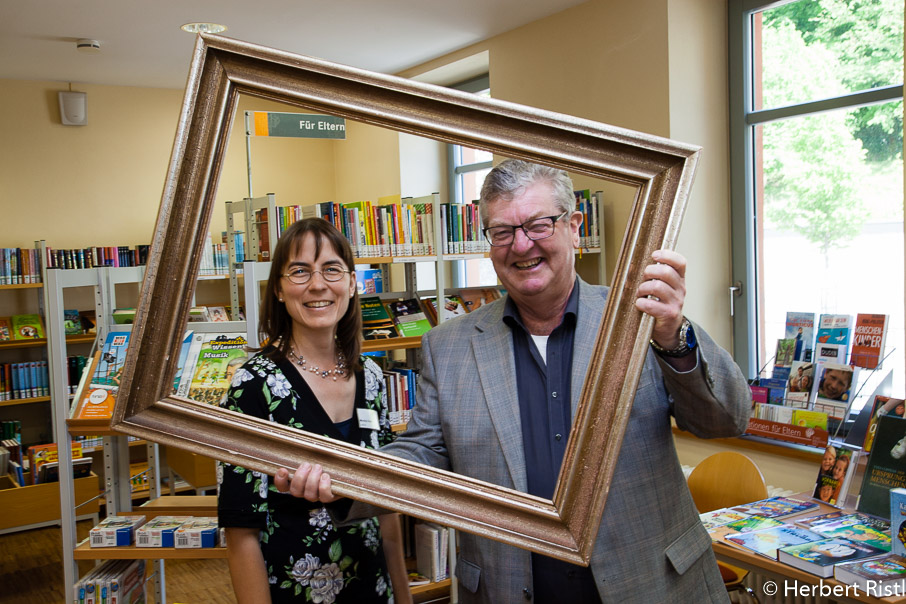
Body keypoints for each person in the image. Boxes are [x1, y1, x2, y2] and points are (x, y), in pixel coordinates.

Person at [277, 159, 751, 602]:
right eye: (503, 231)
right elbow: (422, 455)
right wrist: (344, 480)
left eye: (538, 225)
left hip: (651, 584)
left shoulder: (641, 318)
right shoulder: (449, 347)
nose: (522, 245)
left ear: (574, 227)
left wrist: (674, 338)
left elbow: (725, 417)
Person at [217, 218, 411, 603]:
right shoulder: (252, 385)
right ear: (279, 288)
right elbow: (241, 533)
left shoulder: (371, 376)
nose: (318, 284)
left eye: (332, 269)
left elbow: (387, 509)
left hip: (374, 591)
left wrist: (403, 596)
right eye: (300, 271)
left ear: (353, 284)